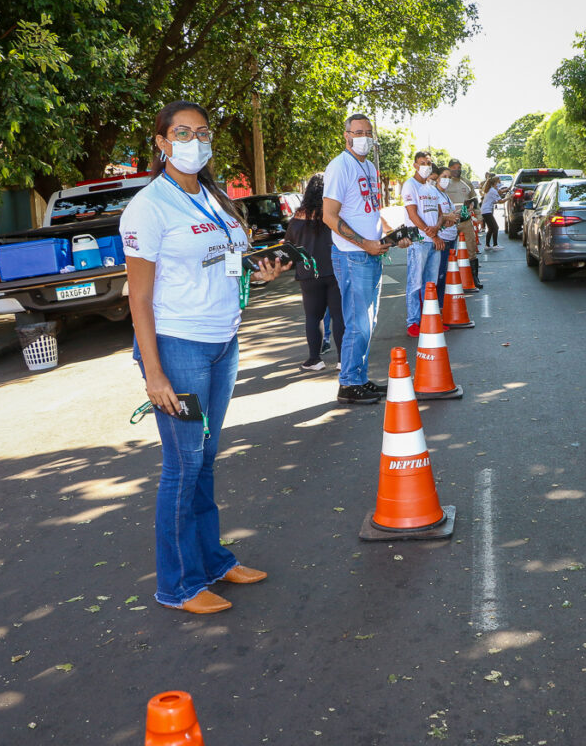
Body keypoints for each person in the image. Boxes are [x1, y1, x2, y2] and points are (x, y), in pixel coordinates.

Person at [121, 100, 289, 615]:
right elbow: (139, 299)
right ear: (161, 142)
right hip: (179, 347)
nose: (195, 141)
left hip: (223, 342)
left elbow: (225, 261)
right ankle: (178, 585)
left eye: (202, 132)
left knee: (206, 460)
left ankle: (213, 561)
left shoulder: (214, 198)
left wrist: (256, 273)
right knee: (183, 464)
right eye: (182, 133)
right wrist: (154, 373)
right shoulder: (149, 207)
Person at [321, 113, 408, 404]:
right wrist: (365, 244)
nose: (364, 137)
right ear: (346, 135)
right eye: (358, 132)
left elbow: (369, 211)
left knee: (368, 322)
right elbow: (329, 217)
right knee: (357, 322)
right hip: (352, 255)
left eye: (368, 132)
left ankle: (359, 377)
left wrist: (390, 234)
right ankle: (348, 382)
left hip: (371, 252)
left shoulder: (369, 166)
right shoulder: (339, 166)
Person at [285, 174, 344, 371]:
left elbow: (288, 247)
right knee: (338, 316)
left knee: (313, 317)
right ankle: (342, 360)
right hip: (334, 270)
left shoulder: (297, 218)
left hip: (309, 273)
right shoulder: (332, 215)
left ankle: (314, 359)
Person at [401, 152, 445, 337]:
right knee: (415, 283)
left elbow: (441, 212)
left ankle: (430, 320)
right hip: (419, 242)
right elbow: (412, 214)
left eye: (428, 162)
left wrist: (437, 227)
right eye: (422, 163)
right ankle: (413, 322)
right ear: (415, 165)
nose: (426, 165)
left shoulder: (431, 188)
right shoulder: (410, 185)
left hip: (434, 242)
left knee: (431, 284)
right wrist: (432, 233)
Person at [443, 159, 481, 289]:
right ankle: (448, 279)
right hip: (448, 223)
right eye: (453, 167)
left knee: (471, 248)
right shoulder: (444, 182)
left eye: (459, 167)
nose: (457, 169)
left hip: (465, 221)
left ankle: (474, 278)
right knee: (448, 251)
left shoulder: (467, 183)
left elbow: (474, 200)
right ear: (449, 168)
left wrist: (479, 215)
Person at [431, 166, 459, 302]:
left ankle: (442, 304)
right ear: (437, 178)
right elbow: (436, 215)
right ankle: (439, 305)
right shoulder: (434, 194)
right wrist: (447, 217)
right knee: (439, 274)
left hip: (451, 238)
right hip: (442, 239)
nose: (446, 180)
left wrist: (456, 215)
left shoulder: (445, 195)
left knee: (445, 273)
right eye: (444, 177)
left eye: (449, 177)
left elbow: (449, 214)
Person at [479, 176, 506, 251]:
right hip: (487, 211)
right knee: (495, 227)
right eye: (498, 182)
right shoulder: (493, 191)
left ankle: (487, 245)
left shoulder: (490, 190)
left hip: (485, 210)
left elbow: (494, 200)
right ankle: (495, 245)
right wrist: (509, 198)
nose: (499, 183)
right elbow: (500, 201)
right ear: (495, 183)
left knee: (491, 228)